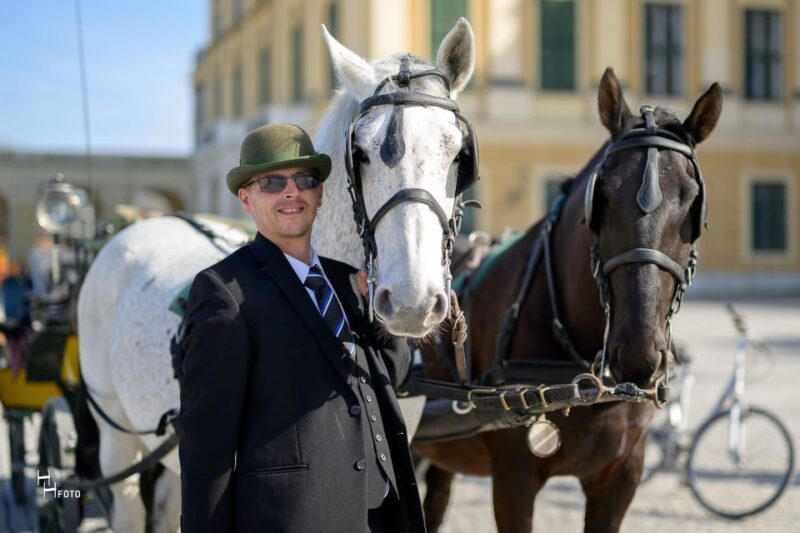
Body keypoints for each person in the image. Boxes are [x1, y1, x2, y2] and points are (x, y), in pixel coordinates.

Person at [176, 124, 426, 533]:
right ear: (246, 198)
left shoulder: (348, 281)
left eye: (305, 180)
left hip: (382, 513)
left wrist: (380, 315)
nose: (291, 192)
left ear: (320, 193)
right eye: (272, 182)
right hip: (294, 520)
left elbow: (389, 378)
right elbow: (207, 446)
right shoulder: (223, 291)